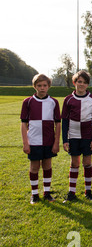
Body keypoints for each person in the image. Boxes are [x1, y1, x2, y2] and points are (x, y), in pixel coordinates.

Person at [62, 70, 92, 202]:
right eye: (79, 81)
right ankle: (71, 193)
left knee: (87, 162)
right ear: (74, 82)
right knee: (74, 163)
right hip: (73, 136)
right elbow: (65, 121)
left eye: (84, 82)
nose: (81, 84)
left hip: (87, 136)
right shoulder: (68, 99)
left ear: (87, 84)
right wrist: (65, 140)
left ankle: (88, 191)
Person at [21, 74, 61, 204]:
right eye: (39, 86)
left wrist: (56, 142)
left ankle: (47, 193)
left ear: (48, 86)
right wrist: (25, 143)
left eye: (45, 85)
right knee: (34, 167)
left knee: (47, 166)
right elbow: (23, 124)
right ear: (34, 86)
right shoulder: (27, 102)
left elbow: (58, 124)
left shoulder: (53, 102)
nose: (42, 88)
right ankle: (34, 195)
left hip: (49, 141)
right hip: (34, 141)